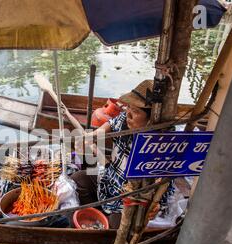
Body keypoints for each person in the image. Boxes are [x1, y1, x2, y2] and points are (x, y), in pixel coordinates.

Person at [66, 79, 172, 226]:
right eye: (128, 107)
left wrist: (156, 204)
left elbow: (165, 186)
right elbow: (109, 124)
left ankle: (106, 220)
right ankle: (96, 214)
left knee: (117, 226)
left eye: (135, 111)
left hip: (131, 200)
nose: (128, 114)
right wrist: (94, 135)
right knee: (78, 179)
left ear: (152, 118)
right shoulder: (125, 118)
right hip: (110, 180)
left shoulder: (163, 143)